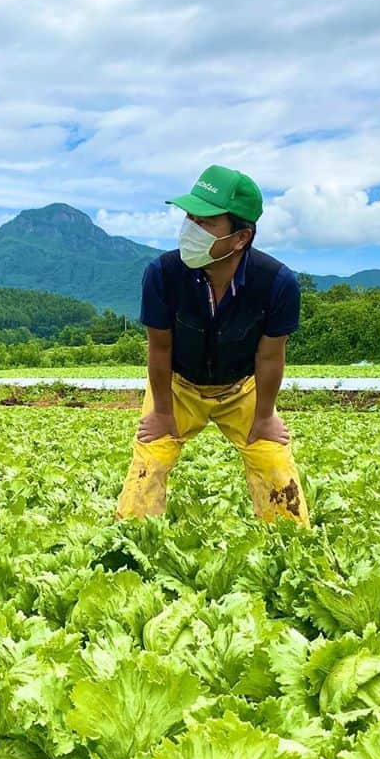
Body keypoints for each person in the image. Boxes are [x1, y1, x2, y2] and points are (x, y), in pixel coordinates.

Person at [116, 164, 309, 524]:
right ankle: (131, 545)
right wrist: (161, 411)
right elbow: (159, 349)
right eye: (190, 216)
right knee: (149, 463)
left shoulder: (277, 283)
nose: (190, 228)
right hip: (177, 387)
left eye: (205, 222)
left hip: (242, 389)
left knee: (274, 464)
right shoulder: (162, 274)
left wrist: (265, 416)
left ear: (240, 238)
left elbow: (270, 356)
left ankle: (290, 551)